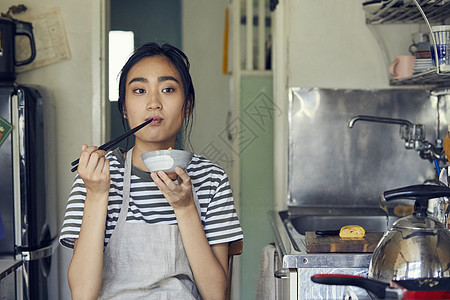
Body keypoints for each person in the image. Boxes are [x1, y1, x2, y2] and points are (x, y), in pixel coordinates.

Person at [59, 42, 243, 299]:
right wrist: (97, 194)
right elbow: (82, 293)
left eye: (168, 89)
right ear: (124, 107)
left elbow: (215, 294)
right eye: (139, 90)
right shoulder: (94, 176)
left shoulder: (212, 179)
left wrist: (185, 207)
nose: (153, 103)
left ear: (187, 105)